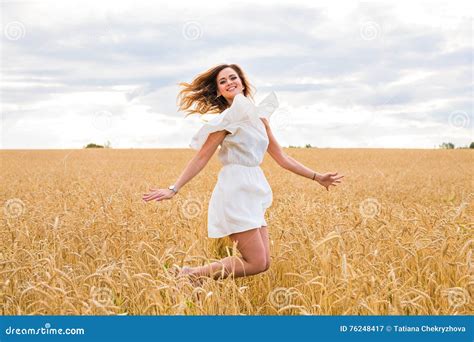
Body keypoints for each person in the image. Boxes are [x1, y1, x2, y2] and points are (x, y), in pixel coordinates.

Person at [142, 63, 344, 284]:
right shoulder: (227, 119)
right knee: (255, 262)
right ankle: (189, 274)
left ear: (242, 82)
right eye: (223, 81)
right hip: (235, 189)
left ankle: (193, 277)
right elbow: (202, 157)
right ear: (219, 91)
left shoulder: (261, 119)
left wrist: (317, 177)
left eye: (233, 78)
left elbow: (282, 158)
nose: (229, 83)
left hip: (254, 189)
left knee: (264, 263)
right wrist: (174, 188)